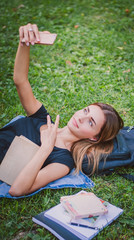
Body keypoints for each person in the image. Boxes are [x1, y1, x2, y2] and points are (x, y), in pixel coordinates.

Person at [0, 23, 124, 197]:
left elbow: (17, 189)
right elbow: (20, 81)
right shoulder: (43, 118)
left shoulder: (63, 162)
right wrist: (24, 43)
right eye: (86, 111)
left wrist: (46, 148)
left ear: (94, 137)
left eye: (90, 122)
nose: (81, 117)